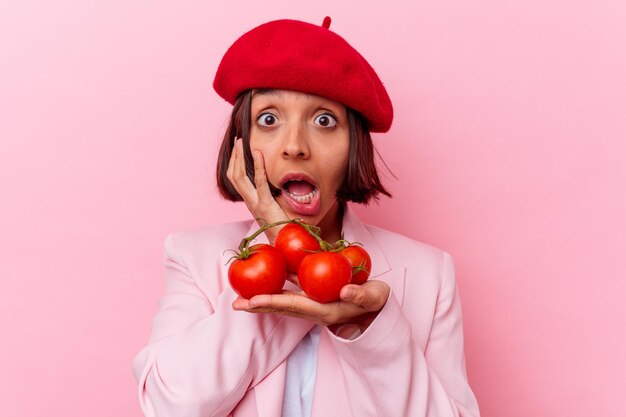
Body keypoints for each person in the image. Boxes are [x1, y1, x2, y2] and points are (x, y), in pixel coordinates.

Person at [132, 17, 480, 417]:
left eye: (324, 120)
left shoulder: (429, 274)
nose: (295, 146)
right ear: (240, 146)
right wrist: (285, 249)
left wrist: (368, 329)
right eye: (268, 119)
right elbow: (171, 405)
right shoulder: (192, 256)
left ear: (354, 146)